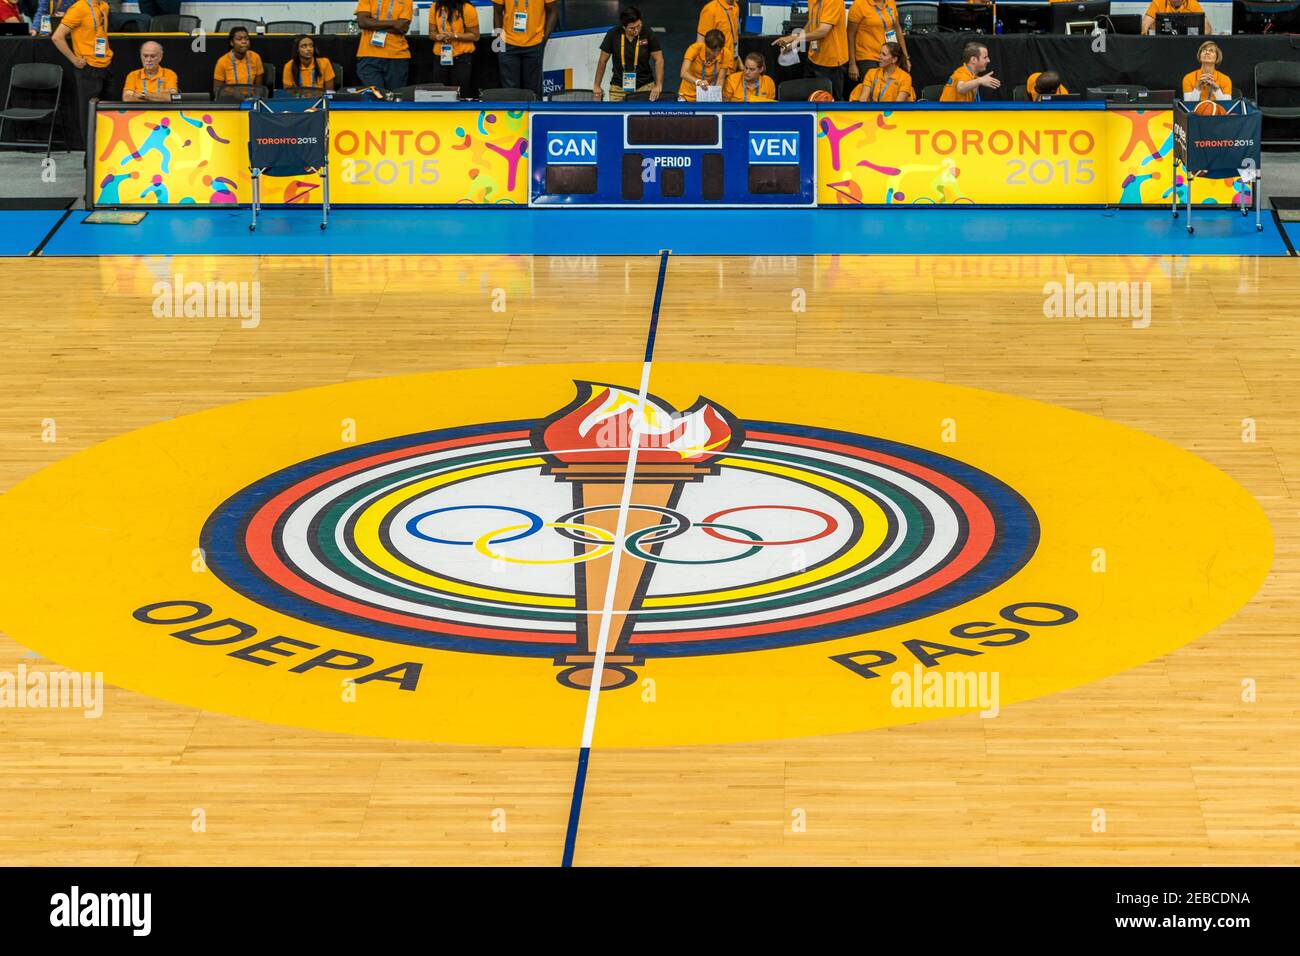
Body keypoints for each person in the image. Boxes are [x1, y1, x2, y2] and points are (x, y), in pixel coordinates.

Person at [51, 0, 111, 147]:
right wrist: (74, 59)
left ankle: (107, 153)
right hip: (88, 68)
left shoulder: (104, 6)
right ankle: (89, 158)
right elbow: (57, 37)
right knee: (88, 115)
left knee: (108, 113)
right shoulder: (79, 8)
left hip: (106, 63)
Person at [774, 0, 849, 101]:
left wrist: (793, 38)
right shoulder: (812, 1)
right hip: (813, 57)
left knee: (831, 101)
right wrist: (794, 44)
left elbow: (822, 31)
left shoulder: (834, 1)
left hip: (831, 61)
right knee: (810, 98)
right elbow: (811, 22)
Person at [593, 6, 663, 101]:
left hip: (645, 86)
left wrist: (658, 85)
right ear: (624, 27)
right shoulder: (613, 35)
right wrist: (597, 85)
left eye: (639, 25)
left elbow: (659, 59)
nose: (636, 30)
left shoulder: (647, 33)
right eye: (632, 28)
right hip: (618, 88)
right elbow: (602, 61)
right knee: (616, 115)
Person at [492, 0, 558, 97]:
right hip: (508, 44)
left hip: (534, 43)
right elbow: (497, 12)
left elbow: (553, 11)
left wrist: (544, 38)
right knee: (510, 90)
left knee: (533, 91)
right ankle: (512, 112)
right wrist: (498, 41)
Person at [847, 0, 909, 88]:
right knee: (872, 92)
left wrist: (905, 57)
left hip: (889, 56)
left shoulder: (890, 2)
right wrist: (852, 64)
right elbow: (850, 35)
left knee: (889, 90)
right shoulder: (859, 5)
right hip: (867, 57)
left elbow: (898, 29)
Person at [355, 0, 413, 91]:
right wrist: (394, 23)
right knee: (375, 97)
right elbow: (362, 22)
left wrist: (372, 23)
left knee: (395, 97)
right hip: (369, 54)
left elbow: (402, 28)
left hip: (397, 55)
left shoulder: (407, 1)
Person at [428, 0, 479, 99]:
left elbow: (475, 36)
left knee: (460, 94)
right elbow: (431, 33)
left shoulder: (467, 8)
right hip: (441, 56)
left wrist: (455, 36)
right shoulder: (435, 7)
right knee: (440, 95)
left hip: (461, 58)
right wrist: (437, 36)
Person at [678, 28, 732, 102]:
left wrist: (715, 98)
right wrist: (698, 82)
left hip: (707, 95)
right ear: (706, 45)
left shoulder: (726, 53)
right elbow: (683, 73)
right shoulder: (694, 49)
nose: (716, 54)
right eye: (713, 50)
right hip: (687, 95)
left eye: (719, 50)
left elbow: (720, 80)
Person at [848, 40, 912, 102]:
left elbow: (898, 105)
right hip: (873, 111)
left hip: (893, 112)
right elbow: (863, 99)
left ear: (894, 59)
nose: (879, 57)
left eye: (884, 54)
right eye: (880, 53)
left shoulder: (905, 78)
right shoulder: (871, 73)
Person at [213, 26, 264, 96]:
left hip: (250, 100)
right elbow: (217, 89)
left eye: (246, 39)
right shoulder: (222, 61)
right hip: (230, 101)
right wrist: (235, 95)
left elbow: (259, 88)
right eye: (239, 39)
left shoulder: (255, 57)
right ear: (231, 43)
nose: (244, 41)